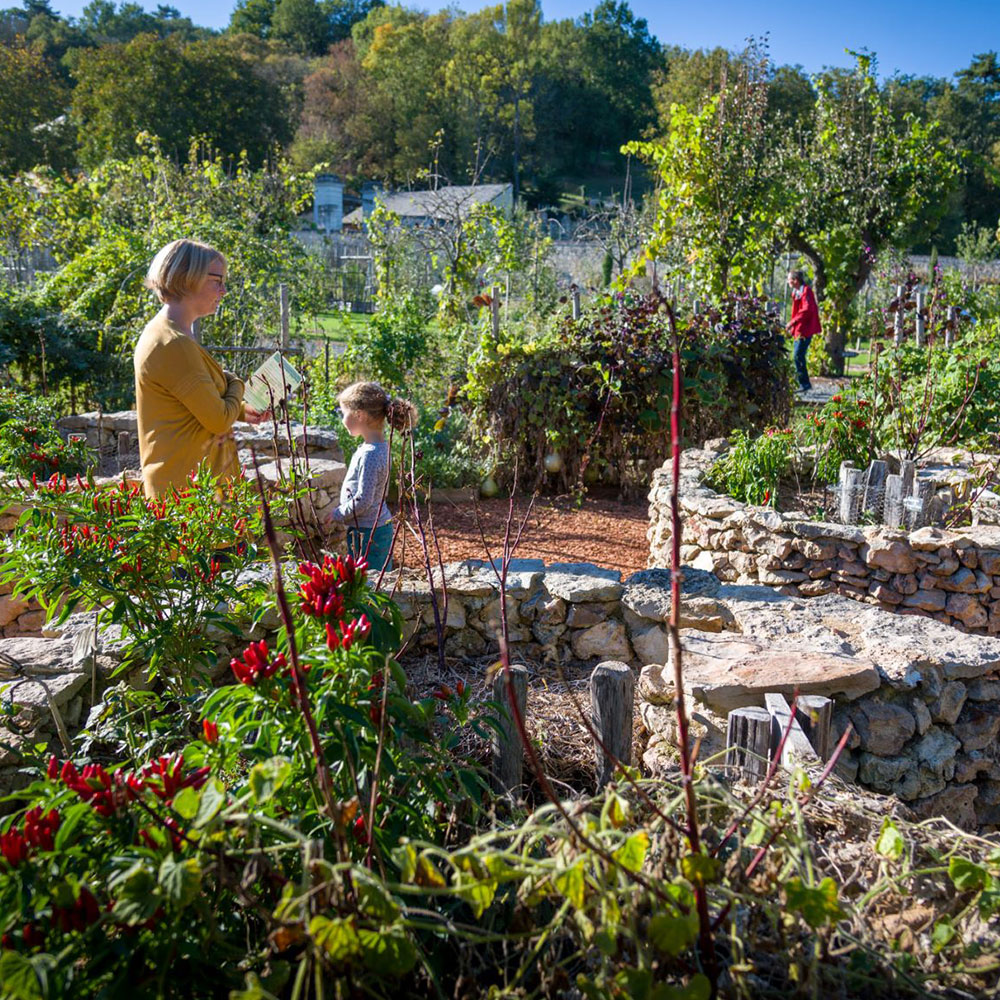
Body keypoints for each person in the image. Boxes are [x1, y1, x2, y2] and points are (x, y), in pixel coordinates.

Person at [133, 239, 268, 498]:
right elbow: (217, 420)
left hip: (195, 492)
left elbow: (192, 409)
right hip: (190, 498)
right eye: (217, 281)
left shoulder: (172, 334)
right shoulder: (173, 343)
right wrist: (237, 383)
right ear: (188, 278)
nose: (224, 291)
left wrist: (240, 411)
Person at [327, 382, 416, 574]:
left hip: (369, 534)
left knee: (370, 584)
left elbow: (364, 499)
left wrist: (338, 513)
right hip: (369, 529)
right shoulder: (376, 448)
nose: (342, 419)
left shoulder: (371, 454)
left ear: (359, 415)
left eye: (344, 413)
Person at [786, 269, 821, 393]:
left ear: (795, 280)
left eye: (789, 279)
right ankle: (803, 383)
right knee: (797, 356)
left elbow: (806, 311)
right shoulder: (797, 292)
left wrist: (792, 323)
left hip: (805, 330)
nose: (788, 281)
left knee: (797, 355)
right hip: (799, 329)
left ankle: (804, 383)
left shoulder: (806, 292)